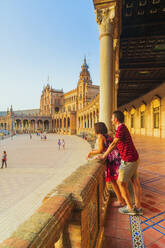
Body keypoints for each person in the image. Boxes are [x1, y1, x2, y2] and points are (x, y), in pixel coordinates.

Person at [98, 111, 142, 215]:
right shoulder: (122, 128)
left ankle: (130, 208)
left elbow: (113, 143)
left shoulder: (121, 128)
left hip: (128, 160)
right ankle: (138, 207)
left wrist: (104, 155)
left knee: (120, 183)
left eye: (112, 118)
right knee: (135, 182)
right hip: (134, 158)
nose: (111, 120)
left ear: (116, 119)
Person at [87, 122, 124, 207]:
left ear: (97, 129)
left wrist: (91, 152)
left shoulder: (100, 136)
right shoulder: (108, 135)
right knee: (118, 181)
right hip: (116, 157)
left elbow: (100, 150)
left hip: (111, 159)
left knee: (114, 181)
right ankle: (122, 199)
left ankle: (120, 200)